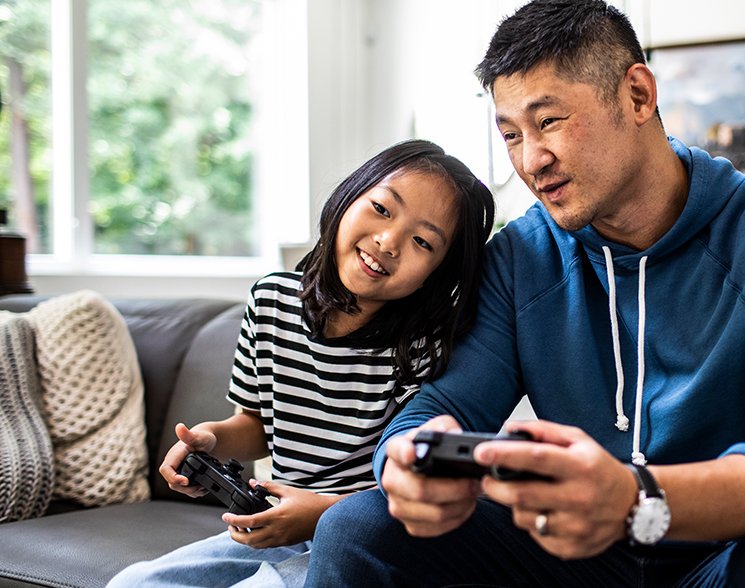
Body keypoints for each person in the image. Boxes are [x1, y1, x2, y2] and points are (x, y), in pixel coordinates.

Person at [305, 1, 745, 586]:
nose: (531, 161)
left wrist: (636, 498)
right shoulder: (520, 255)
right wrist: (407, 457)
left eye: (548, 121)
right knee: (358, 527)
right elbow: (438, 410)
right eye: (510, 135)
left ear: (637, 95)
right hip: (565, 555)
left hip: (725, 551)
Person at [106, 139, 495, 588]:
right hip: (276, 523)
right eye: (383, 209)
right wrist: (211, 440)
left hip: (366, 535)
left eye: (423, 241)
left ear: (437, 273)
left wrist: (321, 514)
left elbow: (415, 482)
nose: (388, 242)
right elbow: (256, 426)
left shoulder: (421, 347)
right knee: (135, 582)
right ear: (349, 196)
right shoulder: (270, 300)